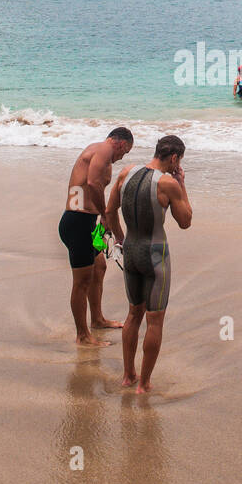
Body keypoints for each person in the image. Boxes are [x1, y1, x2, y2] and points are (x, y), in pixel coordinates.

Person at [104, 134, 193, 393]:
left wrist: (121, 240)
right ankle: (144, 383)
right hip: (155, 255)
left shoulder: (126, 172)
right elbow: (186, 221)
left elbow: (110, 212)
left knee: (133, 314)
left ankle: (127, 375)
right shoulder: (168, 184)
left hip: (131, 252)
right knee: (154, 321)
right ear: (174, 158)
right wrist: (182, 184)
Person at [58, 127, 133, 346]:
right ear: (120, 143)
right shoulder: (103, 148)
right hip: (78, 223)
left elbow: (94, 187)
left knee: (99, 266)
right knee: (82, 281)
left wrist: (102, 221)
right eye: (125, 152)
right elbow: (92, 183)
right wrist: (106, 214)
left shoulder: (103, 154)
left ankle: (98, 319)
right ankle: (82, 336)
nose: (122, 157)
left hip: (90, 224)